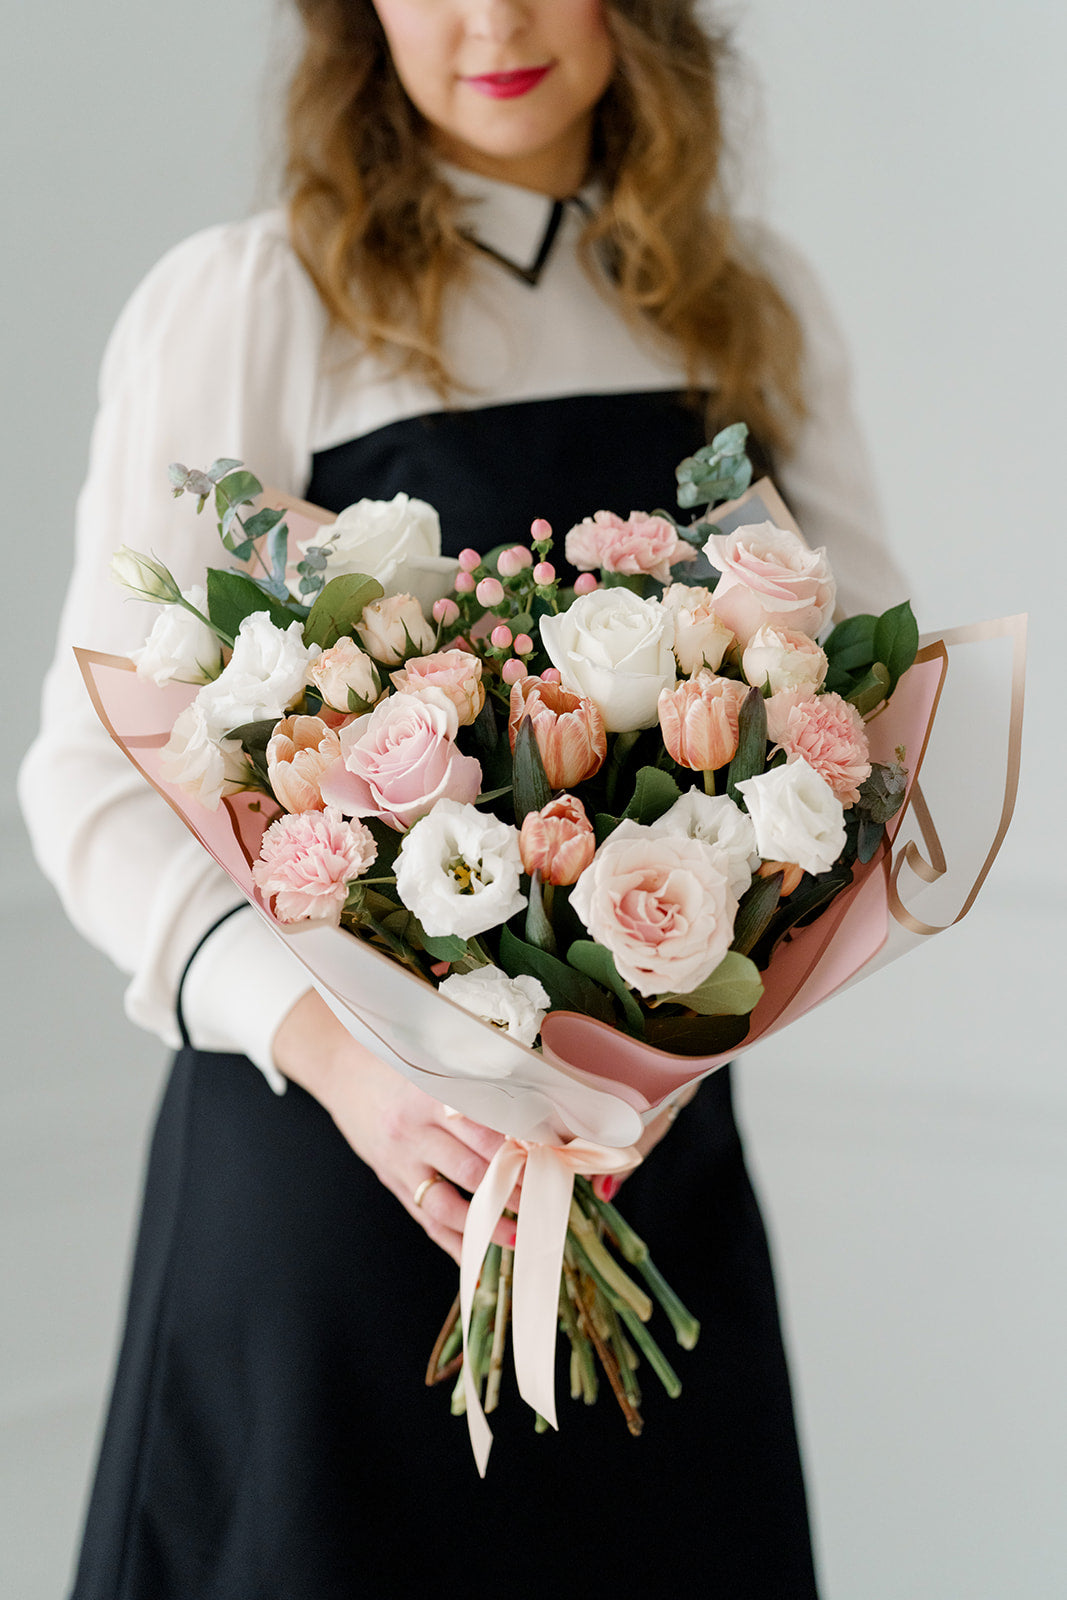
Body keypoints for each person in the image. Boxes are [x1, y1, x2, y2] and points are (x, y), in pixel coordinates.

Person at [21, 2, 907, 1596]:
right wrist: (349, 1072)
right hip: (330, 1181)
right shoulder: (252, 299)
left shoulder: (745, 306)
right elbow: (94, 775)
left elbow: (871, 724)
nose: (488, 19)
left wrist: (679, 1034)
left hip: (656, 1172)